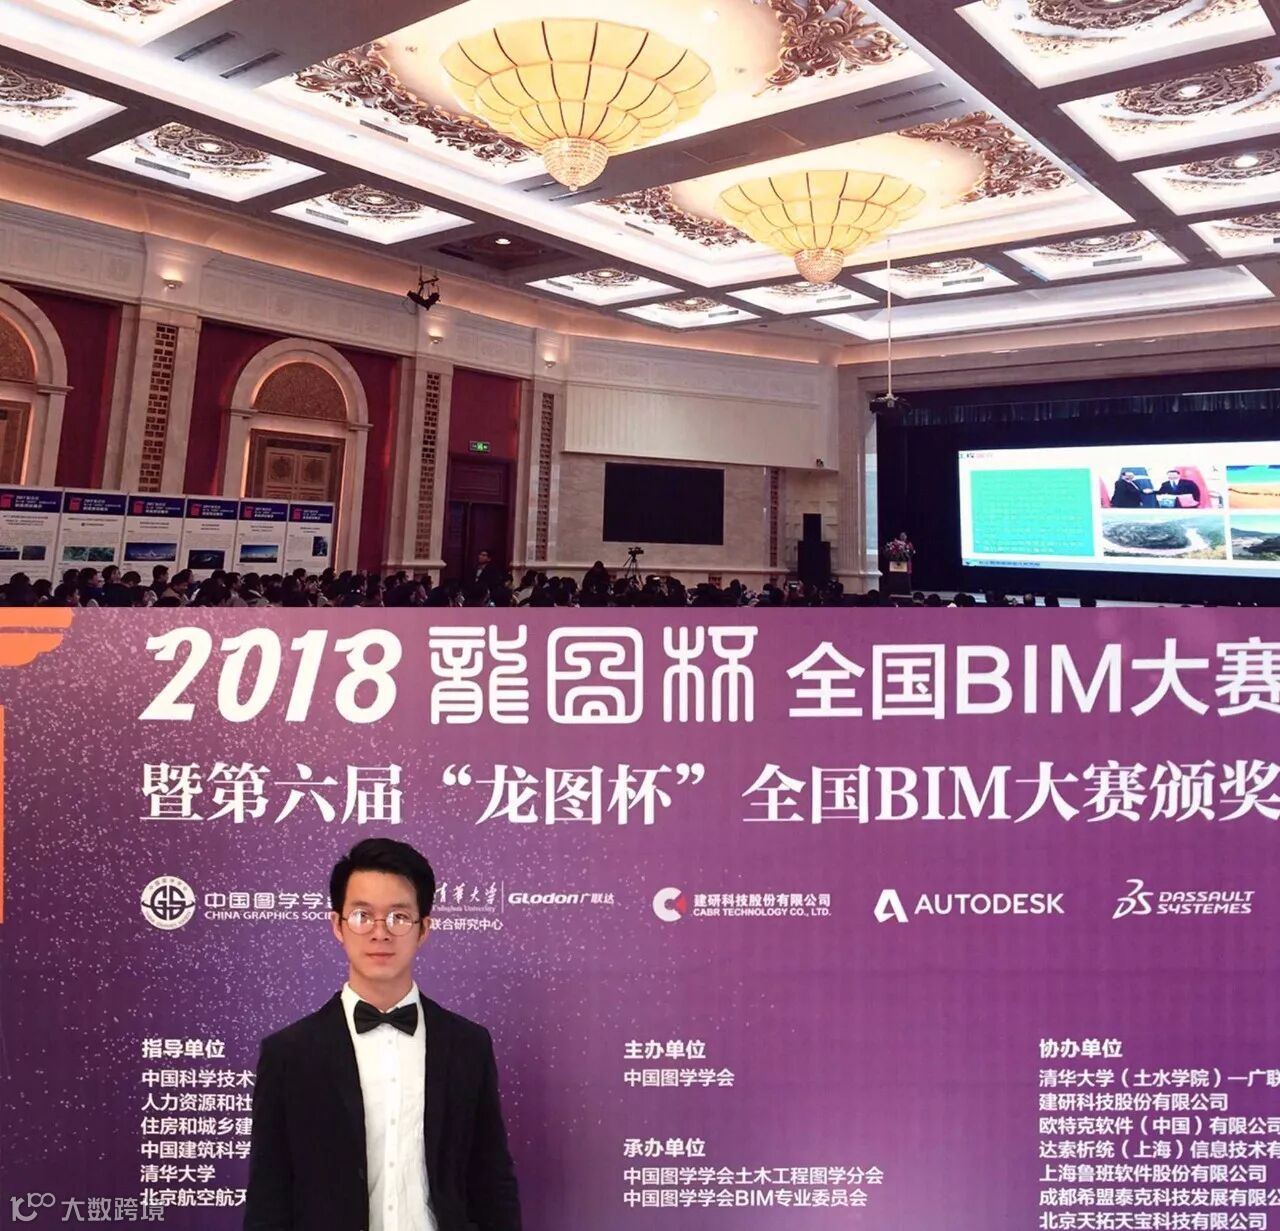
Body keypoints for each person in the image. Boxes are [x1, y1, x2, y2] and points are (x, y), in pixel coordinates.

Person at [245, 838, 521, 1231]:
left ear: (423, 929)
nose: (380, 933)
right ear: (337, 925)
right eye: (362, 915)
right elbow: (269, 1196)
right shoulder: (289, 1053)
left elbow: (492, 1180)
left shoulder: (467, 1045)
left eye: (399, 917)